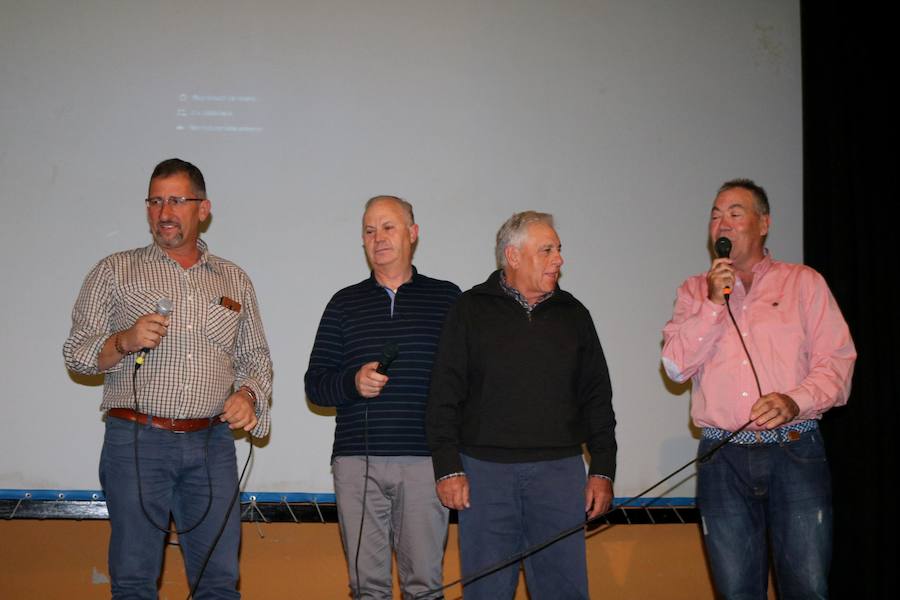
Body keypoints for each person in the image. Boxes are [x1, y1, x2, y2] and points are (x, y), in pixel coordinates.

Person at [63, 158, 272, 599]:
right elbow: (77, 352)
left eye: (177, 200)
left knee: (219, 581)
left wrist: (249, 395)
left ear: (204, 209)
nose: (164, 212)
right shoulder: (115, 270)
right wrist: (124, 339)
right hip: (138, 441)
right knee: (135, 580)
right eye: (155, 201)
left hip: (213, 445)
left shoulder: (234, 280)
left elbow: (256, 358)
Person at [661, 179, 856, 599]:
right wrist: (713, 304)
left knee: (807, 588)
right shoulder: (694, 291)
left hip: (794, 451)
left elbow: (837, 363)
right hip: (722, 458)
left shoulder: (804, 283)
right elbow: (675, 367)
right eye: (715, 215)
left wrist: (794, 400)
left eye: (734, 213)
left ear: (763, 223)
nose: (721, 223)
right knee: (736, 593)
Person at [426, 211, 617, 600]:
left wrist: (603, 470)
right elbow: (443, 394)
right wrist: (448, 468)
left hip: (559, 474)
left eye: (559, 250)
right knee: (486, 592)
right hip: (484, 476)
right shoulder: (469, 310)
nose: (559, 259)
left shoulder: (574, 315)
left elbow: (598, 397)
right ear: (512, 256)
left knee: (564, 591)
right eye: (547, 250)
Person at [304, 196, 460, 600]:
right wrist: (352, 382)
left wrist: (455, 459)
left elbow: (467, 382)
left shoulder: (448, 300)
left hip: (426, 461)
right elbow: (315, 384)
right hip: (358, 462)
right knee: (366, 587)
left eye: (388, 227)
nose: (378, 238)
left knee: (424, 585)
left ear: (413, 233)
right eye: (369, 230)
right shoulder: (343, 303)